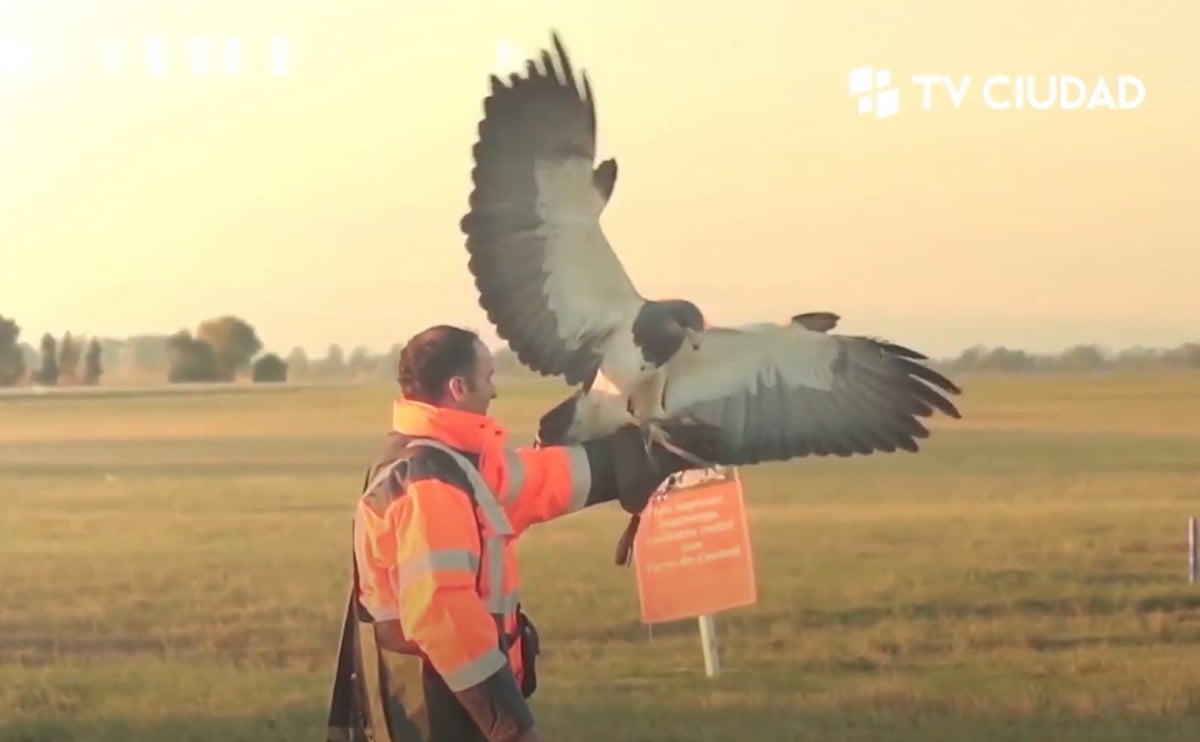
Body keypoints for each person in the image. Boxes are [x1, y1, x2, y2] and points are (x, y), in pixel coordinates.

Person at [324, 324, 718, 742]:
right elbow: (443, 613)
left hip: (453, 704)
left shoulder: (445, 458)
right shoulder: (428, 482)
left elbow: (534, 483)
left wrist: (630, 460)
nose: (495, 390)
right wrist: (509, 725)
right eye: (488, 376)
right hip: (442, 712)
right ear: (459, 387)